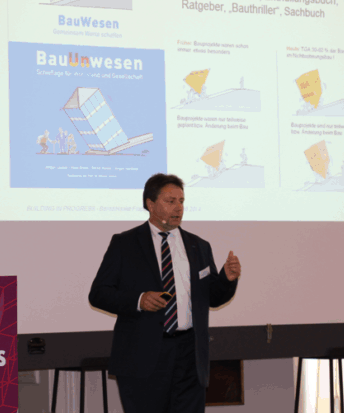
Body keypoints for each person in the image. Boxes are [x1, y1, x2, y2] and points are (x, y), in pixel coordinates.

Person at [88, 174, 241, 413]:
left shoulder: (199, 246)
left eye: (181, 201)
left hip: (190, 355)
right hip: (143, 356)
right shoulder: (125, 244)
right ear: (150, 204)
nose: (178, 207)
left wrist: (227, 280)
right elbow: (98, 294)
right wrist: (138, 301)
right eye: (170, 201)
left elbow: (212, 297)